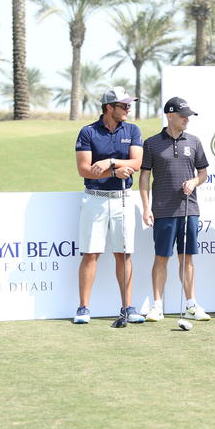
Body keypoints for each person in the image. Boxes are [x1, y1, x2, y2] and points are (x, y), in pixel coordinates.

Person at [73, 86, 145, 325]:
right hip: (95, 198)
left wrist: (109, 162)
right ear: (109, 107)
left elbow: (136, 163)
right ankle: (83, 308)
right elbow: (84, 169)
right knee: (90, 253)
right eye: (124, 105)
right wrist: (115, 171)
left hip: (122, 198)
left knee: (124, 254)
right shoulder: (88, 132)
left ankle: (127, 307)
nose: (128, 109)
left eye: (128, 105)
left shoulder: (132, 130)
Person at [139, 96, 211, 322]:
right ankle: (157, 306)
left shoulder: (194, 142)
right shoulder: (151, 143)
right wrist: (146, 207)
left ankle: (191, 305)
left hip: (189, 209)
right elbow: (144, 177)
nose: (187, 120)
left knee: (187, 258)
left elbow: (203, 173)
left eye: (188, 116)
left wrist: (194, 181)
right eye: (183, 116)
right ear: (170, 116)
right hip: (163, 210)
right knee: (161, 258)